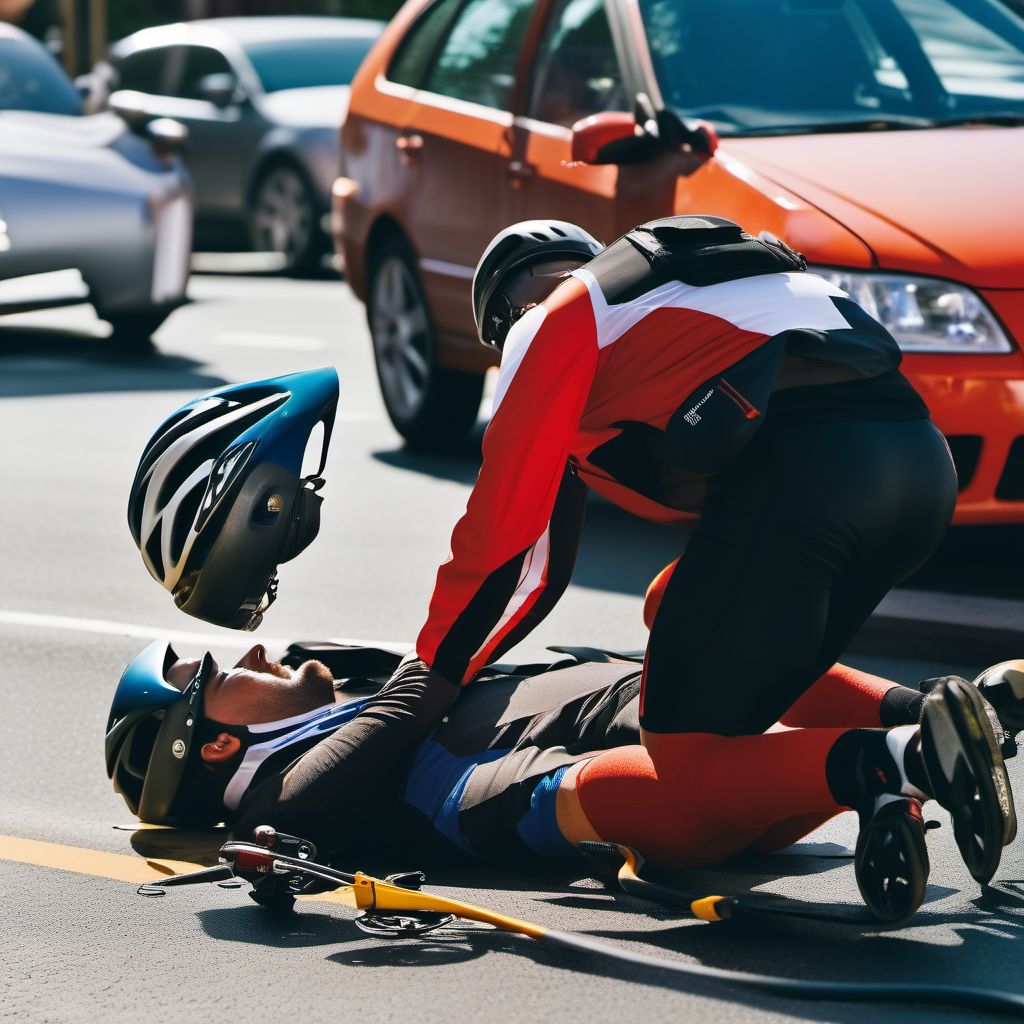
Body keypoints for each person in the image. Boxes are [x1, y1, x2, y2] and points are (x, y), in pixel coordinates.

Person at [106, 633, 1023, 922]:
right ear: (213, 748)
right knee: (615, 788)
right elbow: (423, 687)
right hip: (487, 783)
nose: (257, 650)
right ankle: (894, 763)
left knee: (694, 625)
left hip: (565, 693)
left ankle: (932, 718)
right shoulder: (271, 795)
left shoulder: (329, 671)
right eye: (216, 674)